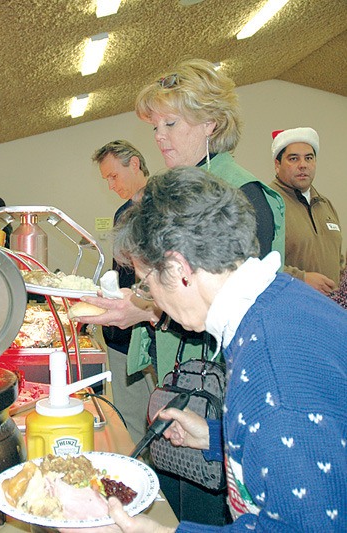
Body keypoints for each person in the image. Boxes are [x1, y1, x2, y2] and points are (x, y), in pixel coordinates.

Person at [77, 166, 347, 533]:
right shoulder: (278, 302)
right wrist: (217, 435)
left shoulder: (272, 368)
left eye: (145, 285)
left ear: (178, 268)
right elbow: (305, 450)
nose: (148, 298)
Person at [82, 58, 286, 526]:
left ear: (211, 123)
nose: (159, 137)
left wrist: (144, 309)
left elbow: (236, 304)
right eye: (155, 126)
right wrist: (139, 309)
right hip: (181, 380)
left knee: (205, 504)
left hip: (220, 388)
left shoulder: (245, 195)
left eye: (171, 123)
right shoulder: (180, 190)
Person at [90, 140, 155, 444]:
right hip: (125, 332)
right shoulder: (121, 213)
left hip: (157, 326)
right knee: (132, 417)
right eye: (106, 180)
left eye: (114, 176)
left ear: (135, 164)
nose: (111, 185)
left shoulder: (164, 204)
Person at [269, 127, 342, 295]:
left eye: (309, 158)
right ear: (277, 164)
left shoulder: (325, 204)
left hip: (329, 309)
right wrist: (301, 279)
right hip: (287, 308)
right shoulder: (268, 201)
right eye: (293, 159)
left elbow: (338, 261)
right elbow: (254, 262)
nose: (303, 165)